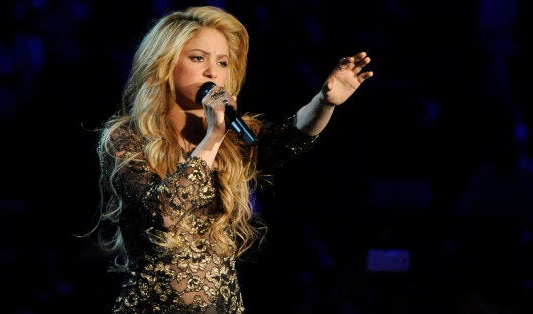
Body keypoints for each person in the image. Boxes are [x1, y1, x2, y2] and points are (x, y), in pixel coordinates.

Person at [89, 5, 373, 313]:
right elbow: (164, 214)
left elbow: (288, 139)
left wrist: (325, 102)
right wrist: (213, 136)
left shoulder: (233, 136)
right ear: (165, 64)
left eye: (222, 62)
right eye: (198, 58)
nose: (213, 72)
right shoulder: (127, 137)